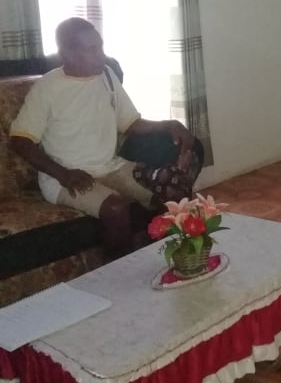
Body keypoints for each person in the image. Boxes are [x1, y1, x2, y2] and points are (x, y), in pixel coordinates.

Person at [10, 17, 202, 257]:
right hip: (66, 178)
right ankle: (123, 273)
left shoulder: (107, 75)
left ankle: (177, 257)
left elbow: (130, 123)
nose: (101, 54)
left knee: (171, 185)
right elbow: (20, 141)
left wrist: (168, 124)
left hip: (111, 168)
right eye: (92, 49)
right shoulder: (47, 88)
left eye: (100, 46)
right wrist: (63, 174)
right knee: (115, 208)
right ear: (68, 54)